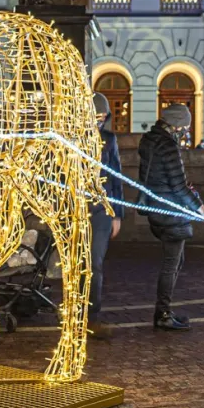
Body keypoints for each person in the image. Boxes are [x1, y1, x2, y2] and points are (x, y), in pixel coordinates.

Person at [138, 103, 204, 331]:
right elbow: (179, 187)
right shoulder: (168, 147)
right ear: (176, 124)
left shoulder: (149, 141)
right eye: (185, 127)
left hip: (156, 208)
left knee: (175, 261)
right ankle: (162, 313)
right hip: (170, 212)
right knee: (171, 264)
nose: (186, 131)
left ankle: (165, 310)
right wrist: (202, 209)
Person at [88, 92, 124, 339]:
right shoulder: (72, 139)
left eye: (102, 117)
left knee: (95, 264)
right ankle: (74, 312)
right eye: (95, 116)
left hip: (102, 211)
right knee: (77, 264)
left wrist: (117, 214)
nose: (99, 121)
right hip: (76, 209)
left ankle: (92, 316)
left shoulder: (109, 140)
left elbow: (116, 178)